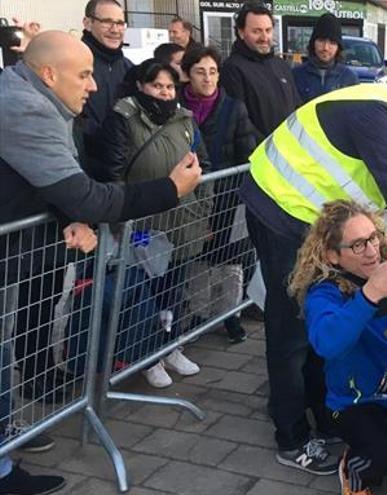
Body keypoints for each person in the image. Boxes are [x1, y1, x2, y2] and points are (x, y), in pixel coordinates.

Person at [0, 31, 202, 494]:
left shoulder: (32, 94)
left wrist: (68, 214)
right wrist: (169, 190)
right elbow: (85, 192)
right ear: (48, 74)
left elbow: (47, 178)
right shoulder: (22, 107)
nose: (93, 86)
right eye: (85, 74)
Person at [240, 80, 387, 473]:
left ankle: (322, 411)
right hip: (279, 207)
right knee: (290, 328)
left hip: (311, 220)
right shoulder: (379, 114)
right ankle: (291, 438)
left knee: (315, 324)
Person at [290, 200, 387, 494]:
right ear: (332, 255)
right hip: (354, 402)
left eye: (373, 237)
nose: (372, 250)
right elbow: (326, 342)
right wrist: (371, 294)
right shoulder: (325, 292)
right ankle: (352, 466)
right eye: (358, 245)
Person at [95, 58, 211, 388]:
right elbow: (112, 172)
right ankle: (147, 356)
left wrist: (204, 210)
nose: (164, 93)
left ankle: (171, 345)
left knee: (173, 289)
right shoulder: (123, 118)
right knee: (142, 294)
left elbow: (206, 165)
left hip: (183, 219)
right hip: (142, 223)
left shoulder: (185, 119)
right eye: (157, 86)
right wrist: (119, 218)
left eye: (170, 86)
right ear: (141, 86)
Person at [180, 45, 260, 345]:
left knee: (231, 261)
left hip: (227, 197)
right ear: (188, 74)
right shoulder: (177, 108)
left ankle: (230, 315)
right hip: (191, 200)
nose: (208, 78)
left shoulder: (233, 107)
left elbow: (247, 155)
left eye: (213, 72)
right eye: (200, 72)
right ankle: (199, 313)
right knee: (197, 260)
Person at [220, 1, 301, 138]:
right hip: (257, 154)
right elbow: (239, 120)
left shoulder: (281, 65)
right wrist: (269, 148)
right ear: (241, 32)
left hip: (289, 150)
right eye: (256, 31)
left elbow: (297, 108)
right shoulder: (232, 68)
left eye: (268, 30)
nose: (264, 38)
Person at [79, 0, 134, 173]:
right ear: (88, 23)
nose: (115, 29)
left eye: (119, 23)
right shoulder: (72, 63)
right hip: (83, 166)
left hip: (122, 166)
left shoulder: (129, 68)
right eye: (107, 22)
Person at [292, 13, 358, 103]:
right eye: (321, 40)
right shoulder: (296, 76)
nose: (326, 48)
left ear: (338, 47)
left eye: (332, 42)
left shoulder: (349, 78)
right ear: (313, 43)